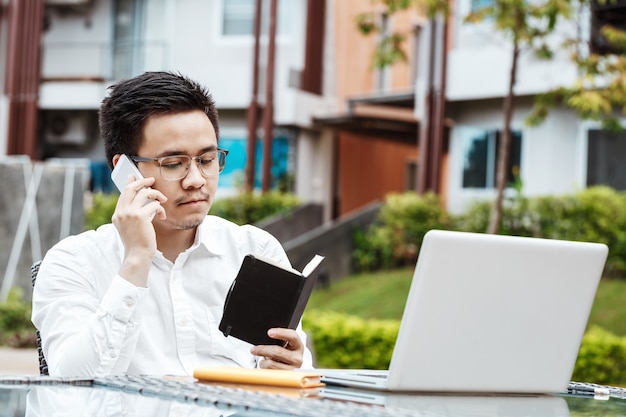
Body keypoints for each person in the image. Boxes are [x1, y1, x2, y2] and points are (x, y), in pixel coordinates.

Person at [31, 71, 313, 377]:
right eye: (173, 164)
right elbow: (73, 382)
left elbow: (294, 371)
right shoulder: (74, 262)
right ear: (125, 170)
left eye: (206, 160)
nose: (196, 180)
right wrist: (136, 260)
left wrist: (290, 366)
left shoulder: (254, 250)